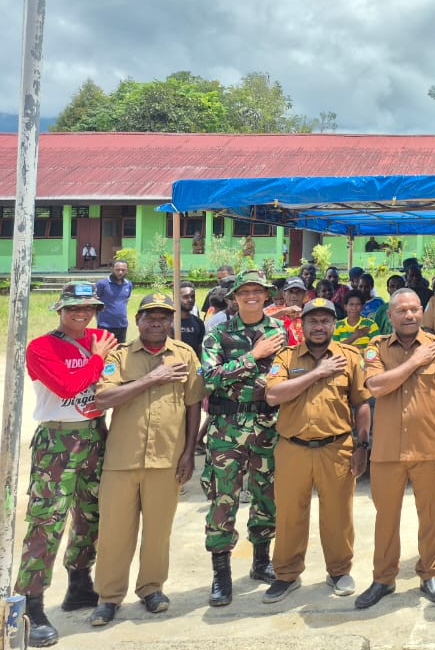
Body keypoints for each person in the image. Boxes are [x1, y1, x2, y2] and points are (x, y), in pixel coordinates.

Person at [90, 293, 204, 626]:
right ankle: (109, 597)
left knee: (158, 531)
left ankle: (152, 589)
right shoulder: (119, 355)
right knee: (114, 532)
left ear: (172, 321)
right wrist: (150, 379)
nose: (156, 322)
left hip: (167, 459)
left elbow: (193, 404)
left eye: (163, 317)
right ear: (138, 320)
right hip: (122, 459)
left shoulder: (184, 355)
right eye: (149, 316)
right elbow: (103, 398)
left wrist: (189, 451)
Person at [17, 284, 117, 647]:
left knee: (92, 514)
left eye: (89, 307)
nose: (83, 313)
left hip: (94, 434)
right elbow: (67, 386)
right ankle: (32, 603)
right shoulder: (41, 348)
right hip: (57, 443)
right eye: (75, 307)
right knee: (47, 522)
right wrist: (96, 358)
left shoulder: (101, 337)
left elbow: (112, 380)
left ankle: (79, 583)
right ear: (60, 309)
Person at [356, 290, 435, 609]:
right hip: (387, 450)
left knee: (431, 515)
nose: (410, 315)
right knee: (385, 518)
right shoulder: (375, 348)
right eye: (402, 310)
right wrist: (415, 362)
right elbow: (376, 387)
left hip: (429, 447)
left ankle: (430, 574)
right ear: (390, 316)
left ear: (422, 312)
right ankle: (383, 579)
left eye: (415, 309)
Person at [262, 298, 372, 602]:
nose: (319, 326)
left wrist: (362, 445)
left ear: (334, 326)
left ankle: (339, 570)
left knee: (338, 513)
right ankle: (286, 574)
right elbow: (273, 395)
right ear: (302, 325)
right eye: (313, 321)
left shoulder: (349, 357)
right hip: (292, 448)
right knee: (288, 514)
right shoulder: (286, 358)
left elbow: (361, 403)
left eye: (325, 321)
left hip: (336, 448)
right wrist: (318, 372)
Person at [200, 270, 286, 606]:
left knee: (267, 493)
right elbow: (209, 378)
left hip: (268, 424)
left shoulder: (279, 330)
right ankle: (221, 575)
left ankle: (261, 562)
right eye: (245, 291)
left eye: (258, 291)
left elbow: (286, 370)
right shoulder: (218, 333)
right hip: (228, 427)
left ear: (266, 296)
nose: (251, 296)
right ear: (234, 297)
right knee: (223, 499)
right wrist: (254, 355)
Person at [94, 259, 133, 346]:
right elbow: (95, 302)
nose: (120, 272)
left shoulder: (128, 284)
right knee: (104, 350)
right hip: (105, 326)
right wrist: (99, 319)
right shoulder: (102, 284)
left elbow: (125, 301)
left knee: (120, 351)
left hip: (122, 325)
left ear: (127, 270)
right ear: (112, 269)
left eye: (123, 270)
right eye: (117, 269)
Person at [178, 280, 206, 358]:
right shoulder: (168, 321)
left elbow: (200, 349)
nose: (190, 300)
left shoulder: (198, 323)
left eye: (192, 296)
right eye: (185, 297)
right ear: (176, 298)